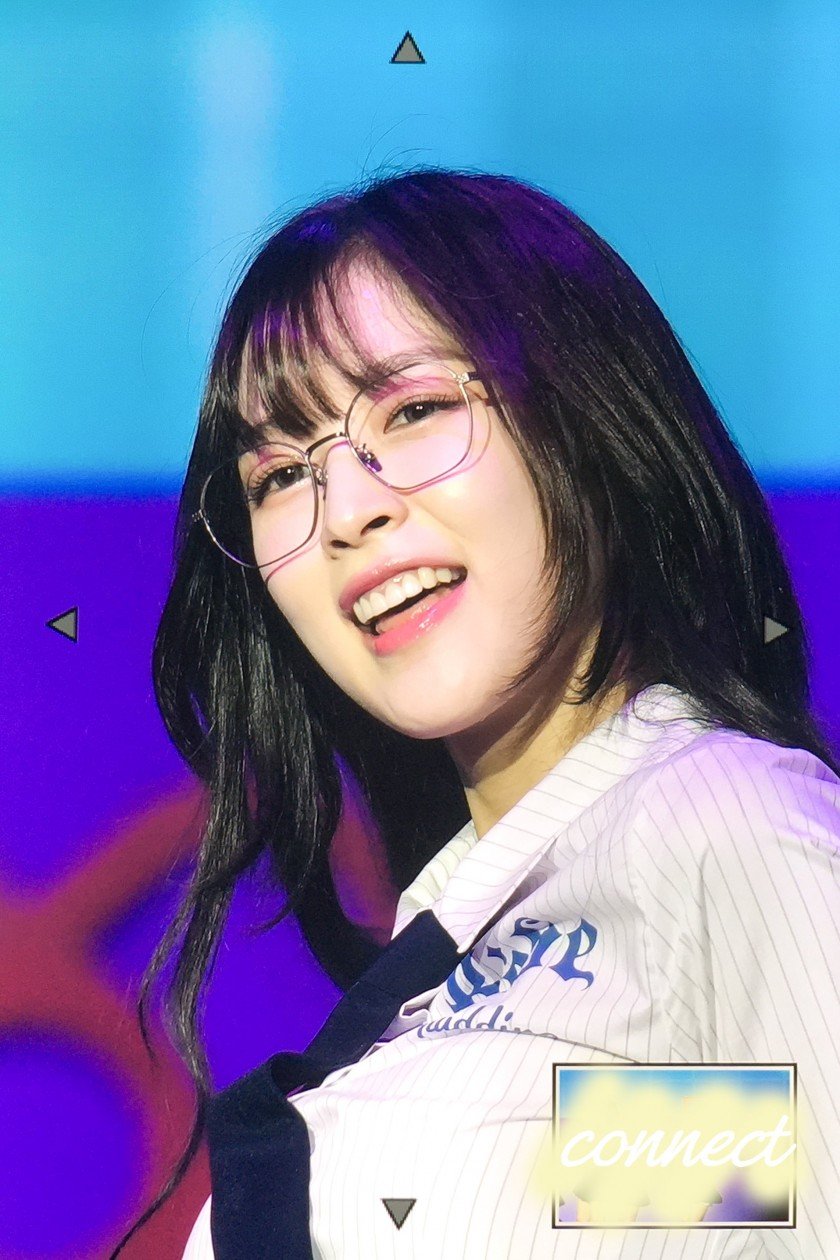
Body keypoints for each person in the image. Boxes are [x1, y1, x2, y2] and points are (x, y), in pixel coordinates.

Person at [111, 167, 840, 1259]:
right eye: (279, 476)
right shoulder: (466, 965)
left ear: (587, 421)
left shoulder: (721, 829)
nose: (345, 510)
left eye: (411, 412)